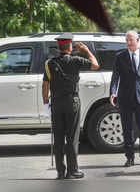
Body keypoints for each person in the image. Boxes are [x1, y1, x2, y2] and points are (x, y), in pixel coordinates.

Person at [42, 33, 99, 179]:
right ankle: (72, 171)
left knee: (59, 138)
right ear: (70, 47)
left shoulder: (50, 63)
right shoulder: (76, 60)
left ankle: (60, 171)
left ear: (59, 47)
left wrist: (45, 103)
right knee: (72, 137)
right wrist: (86, 51)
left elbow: (45, 85)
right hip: (72, 102)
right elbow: (95, 65)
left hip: (56, 103)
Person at [110, 30, 140, 167]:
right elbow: (115, 76)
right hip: (125, 98)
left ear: (137, 41)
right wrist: (113, 92)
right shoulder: (120, 56)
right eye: (127, 40)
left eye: (131, 40)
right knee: (127, 129)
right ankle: (130, 157)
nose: (128, 42)